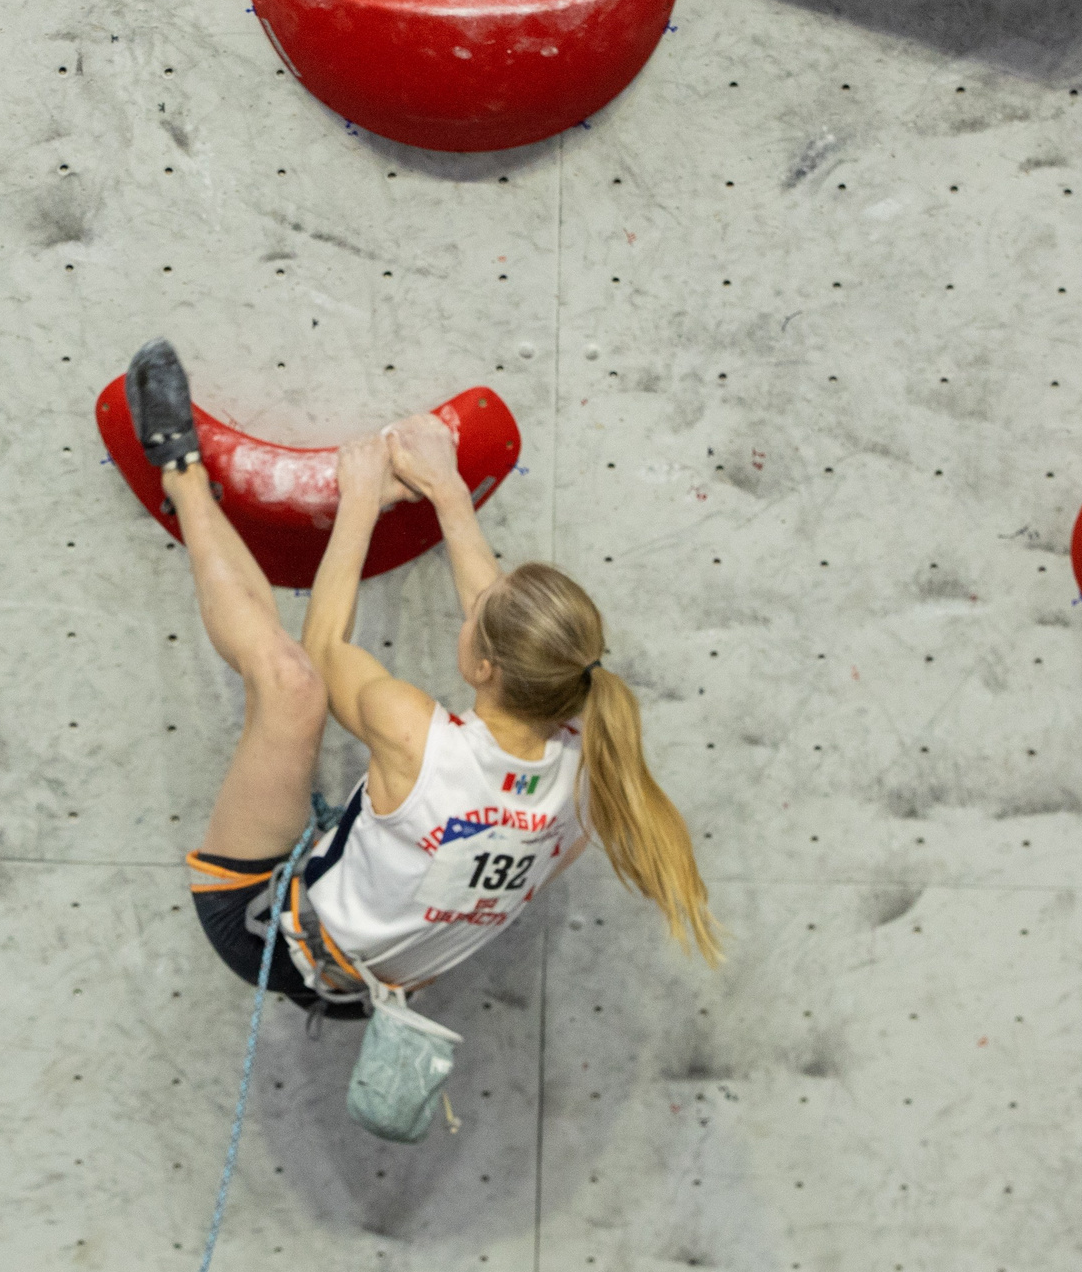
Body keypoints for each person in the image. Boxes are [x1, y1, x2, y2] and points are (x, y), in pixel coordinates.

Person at [123, 340, 721, 1022]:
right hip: (381, 972)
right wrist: (446, 490)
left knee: (291, 681)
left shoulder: (421, 738)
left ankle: (183, 478)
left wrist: (359, 499)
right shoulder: (591, 763)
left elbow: (323, 647)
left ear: (485, 666)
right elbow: (498, 622)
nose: (470, 612)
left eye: (476, 623)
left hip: (268, 931)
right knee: (320, 712)